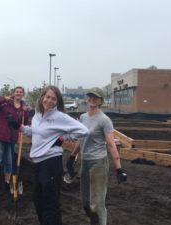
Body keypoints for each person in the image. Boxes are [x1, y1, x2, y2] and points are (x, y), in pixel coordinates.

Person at [21, 85, 89, 225]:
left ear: (57, 102)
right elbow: (35, 132)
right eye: (47, 97)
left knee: (51, 203)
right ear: (42, 98)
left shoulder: (59, 117)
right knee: (38, 201)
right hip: (38, 163)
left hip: (51, 163)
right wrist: (20, 128)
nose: (49, 101)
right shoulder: (37, 115)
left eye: (53, 98)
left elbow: (84, 131)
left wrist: (63, 138)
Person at [66, 91, 127, 225]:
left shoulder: (104, 120)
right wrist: (72, 157)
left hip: (98, 163)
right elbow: (80, 139)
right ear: (86, 99)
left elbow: (111, 144)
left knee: (97, 204)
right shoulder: (82, 117)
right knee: (86, 203)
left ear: (100, 101)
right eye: (90, 97)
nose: (92, 99)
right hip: (85, 162)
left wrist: (119, 169)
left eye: (96, 98)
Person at [0, 86, 29, 196]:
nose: (18, 93)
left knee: (9, 161)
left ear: (23, 94)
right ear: (13, 93)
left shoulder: (22, 109)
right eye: (17, 91)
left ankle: (7, 182)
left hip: (12, 138)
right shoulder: (5, 104)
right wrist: (3, 98)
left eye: (21, 92)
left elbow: (24, 123)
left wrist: (26, 111)